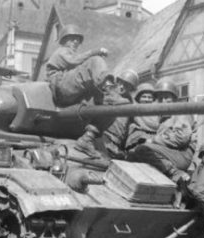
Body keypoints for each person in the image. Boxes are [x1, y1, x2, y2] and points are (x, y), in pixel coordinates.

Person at [45, 24, 124, 157]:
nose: (75, 42)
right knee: (95, 61)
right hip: (61, 86)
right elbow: (73, 62)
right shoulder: (61, 51)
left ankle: (87, 138)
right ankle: (108, 88)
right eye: (71, 38)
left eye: (78, 39)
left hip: (72, 90)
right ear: (64, 41)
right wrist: (94, 52)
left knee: (112, 108)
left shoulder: (73, 54)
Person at [102, 70, 140, 159]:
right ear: (117, 82)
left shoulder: (131, 102)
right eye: (120, 83)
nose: (122, 87)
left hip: (117, 142)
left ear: (131, 89)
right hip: (103, 137)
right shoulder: (108, 93)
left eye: (127, 85)